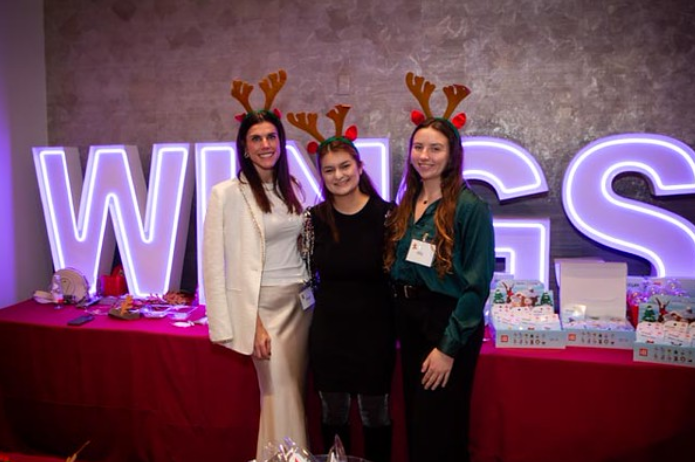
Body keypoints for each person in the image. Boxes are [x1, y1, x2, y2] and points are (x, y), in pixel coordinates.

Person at [203, 70, 313, 461]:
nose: (265, 144)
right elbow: (216, 265)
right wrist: (249, 321)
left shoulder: (294, 188)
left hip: (302, 307)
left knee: (294, 393)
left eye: (271, 137)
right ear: (244, 148)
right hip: (263, 310)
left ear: (281, 143)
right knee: (278, 394)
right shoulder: (227, 194)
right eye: (256, 139)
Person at [384, 73, 496, 462]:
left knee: (441, 427)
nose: (424, 156)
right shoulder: (406, 202)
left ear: (452, 154)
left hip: (446, 324)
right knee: (418, 421)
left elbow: (476, 287)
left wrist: (447, 348)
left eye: (435, 148)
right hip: (411, 322)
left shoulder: (469, 208)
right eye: (418, 147)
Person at [288, 105, 396, 462]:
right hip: (329, 335)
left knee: (375, 416)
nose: (338, 176)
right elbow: (301, 272)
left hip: (375, 334)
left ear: (360, 167)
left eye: (345, 166)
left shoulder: (387, 216)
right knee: (332, 416)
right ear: (321, 174)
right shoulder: (312, 220)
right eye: (329, 170)